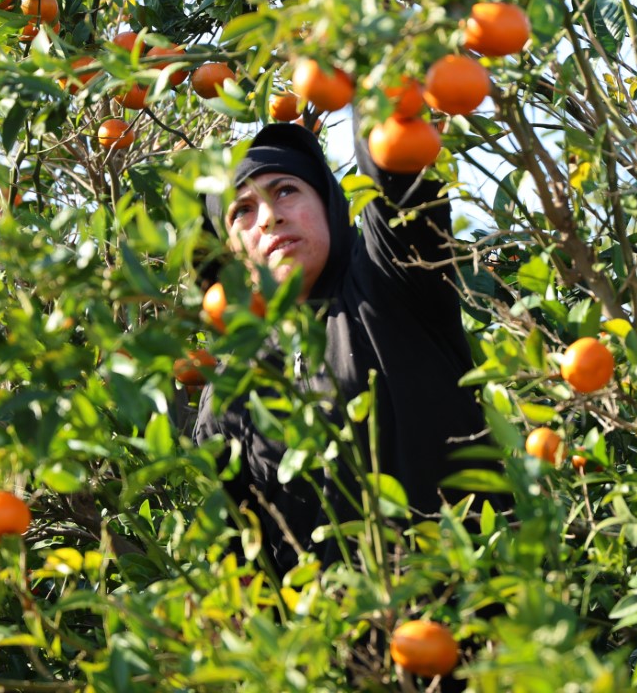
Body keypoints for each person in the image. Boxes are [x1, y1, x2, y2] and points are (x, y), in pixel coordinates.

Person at [194, 122, 496, 576]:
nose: (269, 217)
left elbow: (395, 154)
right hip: (333, 639)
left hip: (473, 619)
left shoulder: (389, 281)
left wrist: (356, 61)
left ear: (329, 201)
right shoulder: (229, 392)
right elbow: (239, 568)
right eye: (242, 211)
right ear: (228, 252)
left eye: (286, 190)